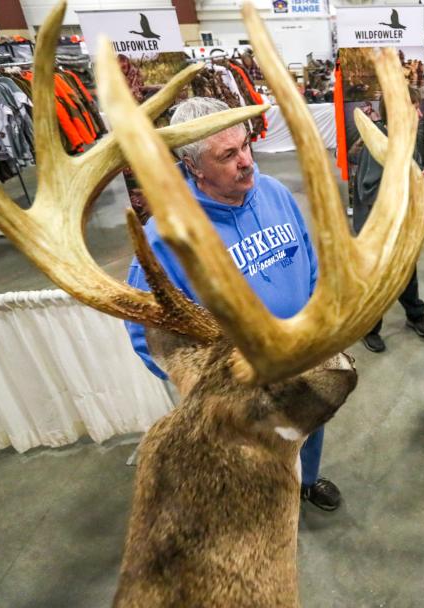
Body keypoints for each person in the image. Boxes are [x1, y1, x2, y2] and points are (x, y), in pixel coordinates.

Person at [125, 97, 342, 512]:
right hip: (239, 393)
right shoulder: (166, 237)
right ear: (194, 166)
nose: (246, 161)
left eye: (245, 145)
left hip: (299, 360)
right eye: (228, 155)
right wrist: (215, 391)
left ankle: (306, 483)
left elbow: (308, 261)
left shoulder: (273, 191)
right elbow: (146, 336)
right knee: (251, 468)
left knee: (308, 430)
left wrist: (315, 327)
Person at [353, 87, 424, 353]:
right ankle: (369, 328)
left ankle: (415, 315)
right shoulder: (380, 142)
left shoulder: (406, 139)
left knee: (407, 274)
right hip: (379, 232)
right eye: (414, 107)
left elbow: (414, 168)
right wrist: (409, 183)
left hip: (402, 227)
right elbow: (370, 191)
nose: (419, 113)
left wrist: (421, 174)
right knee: (377, 281)